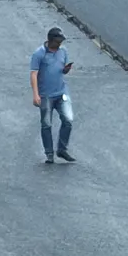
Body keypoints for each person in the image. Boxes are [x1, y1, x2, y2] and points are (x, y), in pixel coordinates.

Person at [30, 26, 76, 163]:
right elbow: (34, 74)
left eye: (61, 41)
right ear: (50, 40)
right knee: (46, 124)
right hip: (46, 95)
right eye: (58, 41)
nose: (60, 43)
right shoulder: (39, 54)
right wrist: (36, 95)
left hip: (61, 92)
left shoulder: (63, 51)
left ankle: (62, 149)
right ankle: (49, 153)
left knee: (68, 120)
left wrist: (66, 70)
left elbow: (62, 70)